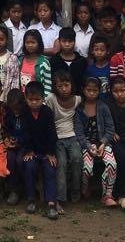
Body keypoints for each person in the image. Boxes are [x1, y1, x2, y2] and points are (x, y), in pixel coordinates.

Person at [18, 80, 60, 219]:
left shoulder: (47, 112)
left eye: (37, 100)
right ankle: (31, 199)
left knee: (50, 169)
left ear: (43, 98)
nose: (34, 102)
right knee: (29, 167)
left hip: (46, 150)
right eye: (31, 99)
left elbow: (52, 134)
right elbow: (24, 133)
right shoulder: (24, 111)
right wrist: (29, 150)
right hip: (31, 150)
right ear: (26, 98)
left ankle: (51, 203)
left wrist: (50, 153)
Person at [75, 76, 117, 206]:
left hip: (103, 143)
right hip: (87, 144)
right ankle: (85, 188)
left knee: (112, 164)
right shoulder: (79, 109)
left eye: (95, 90)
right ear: (83, 90)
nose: (92, 93)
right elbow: (79, 134)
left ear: (99, 91)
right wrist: (89, 146)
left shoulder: (103, 107)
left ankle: (107, 195)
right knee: (87, 168)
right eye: (89, 90)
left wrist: (103, 143)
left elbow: (110, 129)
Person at [46, 71, 81, 207]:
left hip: (72, 136)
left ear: (72, 85)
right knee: (61, 164)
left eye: (66, 85)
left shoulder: (78, 99)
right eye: (60, 86)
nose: (64, 89)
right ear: (55, 87)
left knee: (77, 159)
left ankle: (76, 191)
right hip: (57, 138)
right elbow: (48, 120)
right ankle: (60, 197)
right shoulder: (51, 99)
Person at [50, 28, 87, 93]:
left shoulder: (82, 61)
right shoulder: (53, 61)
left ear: (74, 41)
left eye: (70, 41)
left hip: (77, 98)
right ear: (59, 41)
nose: (67, 44)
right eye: (64, 41)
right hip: (58, 98)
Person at [19, 29, 52, 98]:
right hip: (22, 100)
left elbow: (48, 86)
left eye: (33, 42)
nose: (30, 45)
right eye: (27, 42)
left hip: (37, 101)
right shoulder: (20, 60)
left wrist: (43, 101)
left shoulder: (44, 62)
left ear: (39, 43)